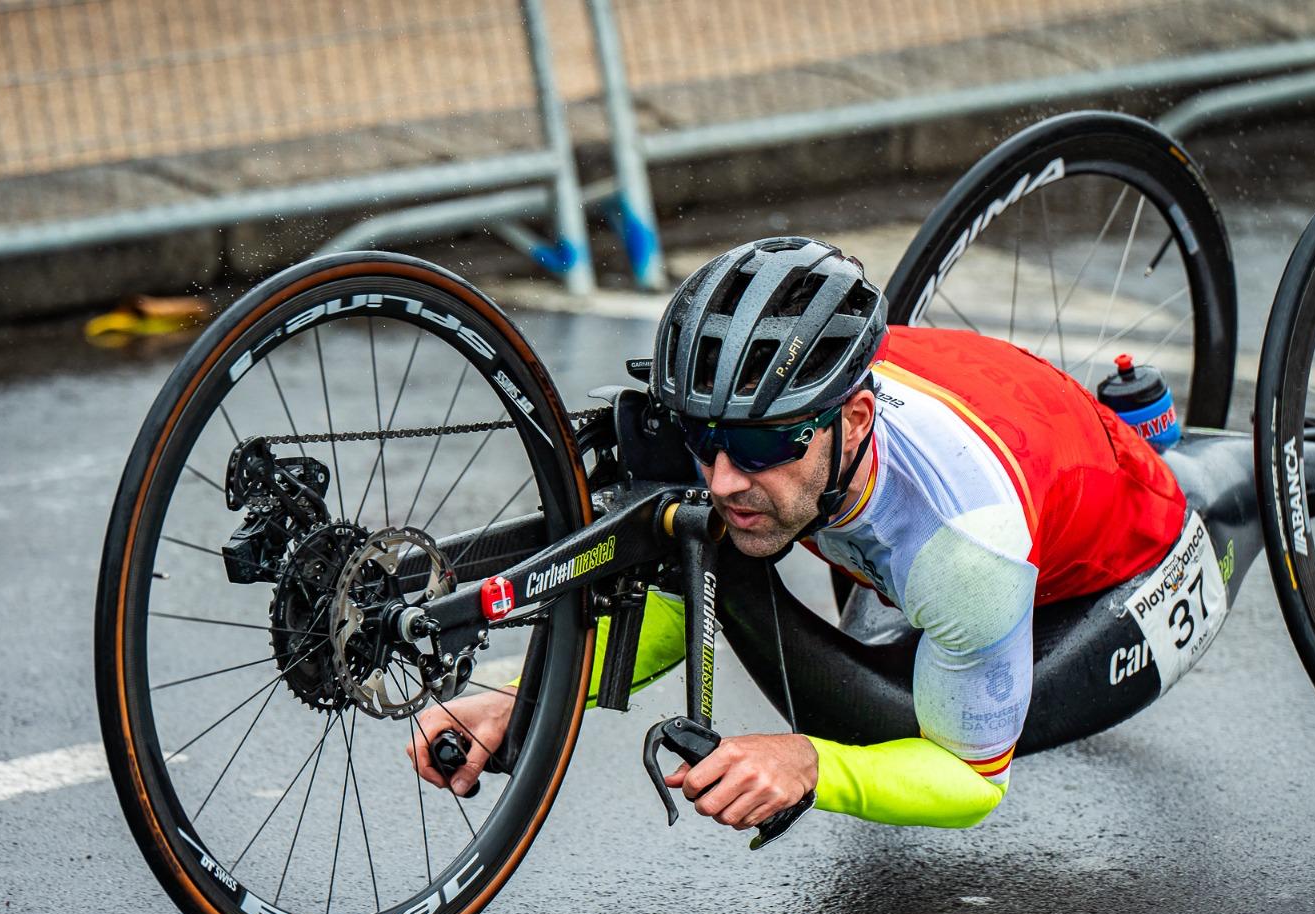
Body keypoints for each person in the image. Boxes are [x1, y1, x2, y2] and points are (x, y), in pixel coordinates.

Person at [409, 236, 1186, 831]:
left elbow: (972, 783)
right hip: (1002, 402)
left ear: (852, 420)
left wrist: (810, 764)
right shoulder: (797, 435)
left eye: (761, 446)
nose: (720, 479)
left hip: (1123, 553)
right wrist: (525, 697)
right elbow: (693, 597)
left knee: (907, 715)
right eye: (700, 437)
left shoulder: (966, 549)